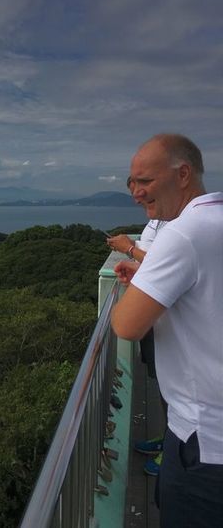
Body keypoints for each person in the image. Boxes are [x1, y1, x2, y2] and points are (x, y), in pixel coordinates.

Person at [110, 133, 223, 522]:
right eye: (132, 183)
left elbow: (126, 325)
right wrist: (155, 279)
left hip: (204, 440)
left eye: (146, 181)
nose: (136, 193)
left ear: (183, 174)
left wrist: (143, 284)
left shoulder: (183, 233)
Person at [107, 184, 170, 474]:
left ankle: (173, 450)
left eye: (143, 184)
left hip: (163, 314)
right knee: (162, 379)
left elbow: (166, 263)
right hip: (155, 315)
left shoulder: (179, 222)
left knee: (171, 383)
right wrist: (135, 261)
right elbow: (156, 259)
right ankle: (169, 438)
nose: (137, 196)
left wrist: (129, 249)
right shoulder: (157, 219)